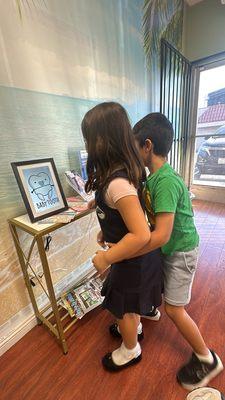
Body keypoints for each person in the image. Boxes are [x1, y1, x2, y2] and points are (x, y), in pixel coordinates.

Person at [130, 112, 223, 390]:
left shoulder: (166, 182)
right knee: (156, 283)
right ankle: (150, 309)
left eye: (135, 146)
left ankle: (206, 358)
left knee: (175, 308)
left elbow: (162, 234)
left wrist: (129, 248)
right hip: (171, 249)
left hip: (182, 251)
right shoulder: (153, 179)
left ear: (147, 146)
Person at [81, 102, 163, 372]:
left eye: (89, 140)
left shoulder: (117, 183)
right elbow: (126, 216)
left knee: (124, 306)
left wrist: (106, 258)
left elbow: (139, 234)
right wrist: (107, 229)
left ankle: (131, 349)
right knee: (131, 303)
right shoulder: (121, 175)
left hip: (132, 258)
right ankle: (134, 328)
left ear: (102, 141)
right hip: (132, 257)